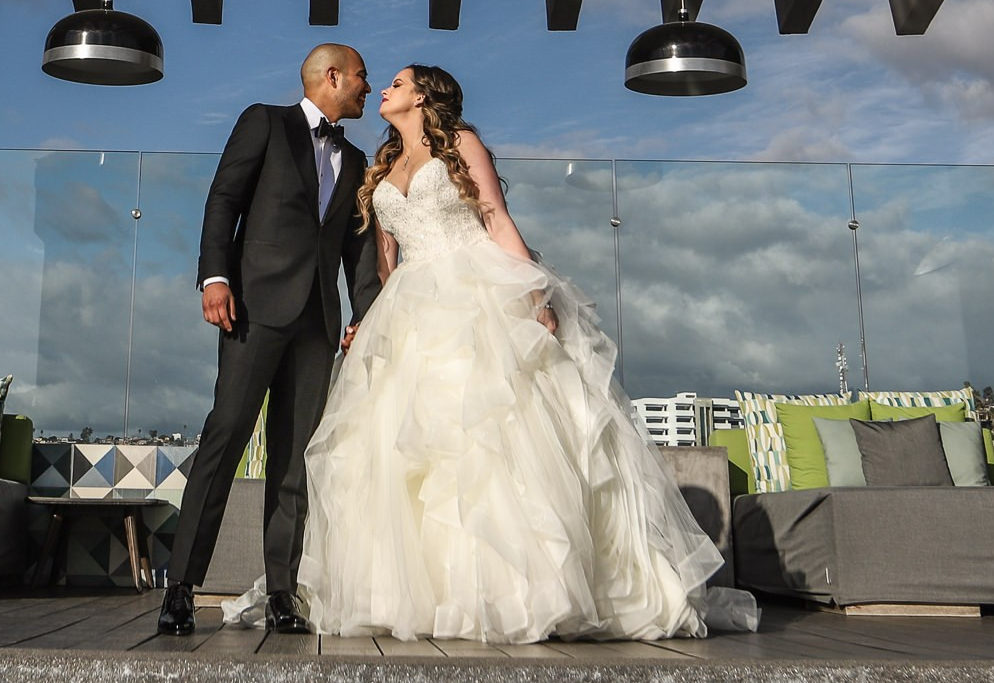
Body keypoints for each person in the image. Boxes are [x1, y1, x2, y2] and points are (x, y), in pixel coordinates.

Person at [295, 63, 758, 642]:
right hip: (410, 305)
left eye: (398, 82)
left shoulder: (460, 143)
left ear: (425, 96)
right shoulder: (383, 164)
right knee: (403, 445)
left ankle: (513, 593)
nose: (384, 89)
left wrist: (535, 295)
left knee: (487, 435)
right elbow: (384, 260)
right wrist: (372, 321)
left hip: (473, 289)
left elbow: (494, 218)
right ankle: (425, 595)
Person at [158, 43, 378, 636]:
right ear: (332, 77)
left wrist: (366, 316)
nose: (368, 86)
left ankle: (283, 592)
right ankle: (180, 587)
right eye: (361, 76)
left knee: (295, 458)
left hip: (317, 323)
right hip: (252, 311)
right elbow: (224, 199)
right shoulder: (265, 122)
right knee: (225, 436)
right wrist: (215, 277)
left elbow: (358, 249)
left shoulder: (357, 159)